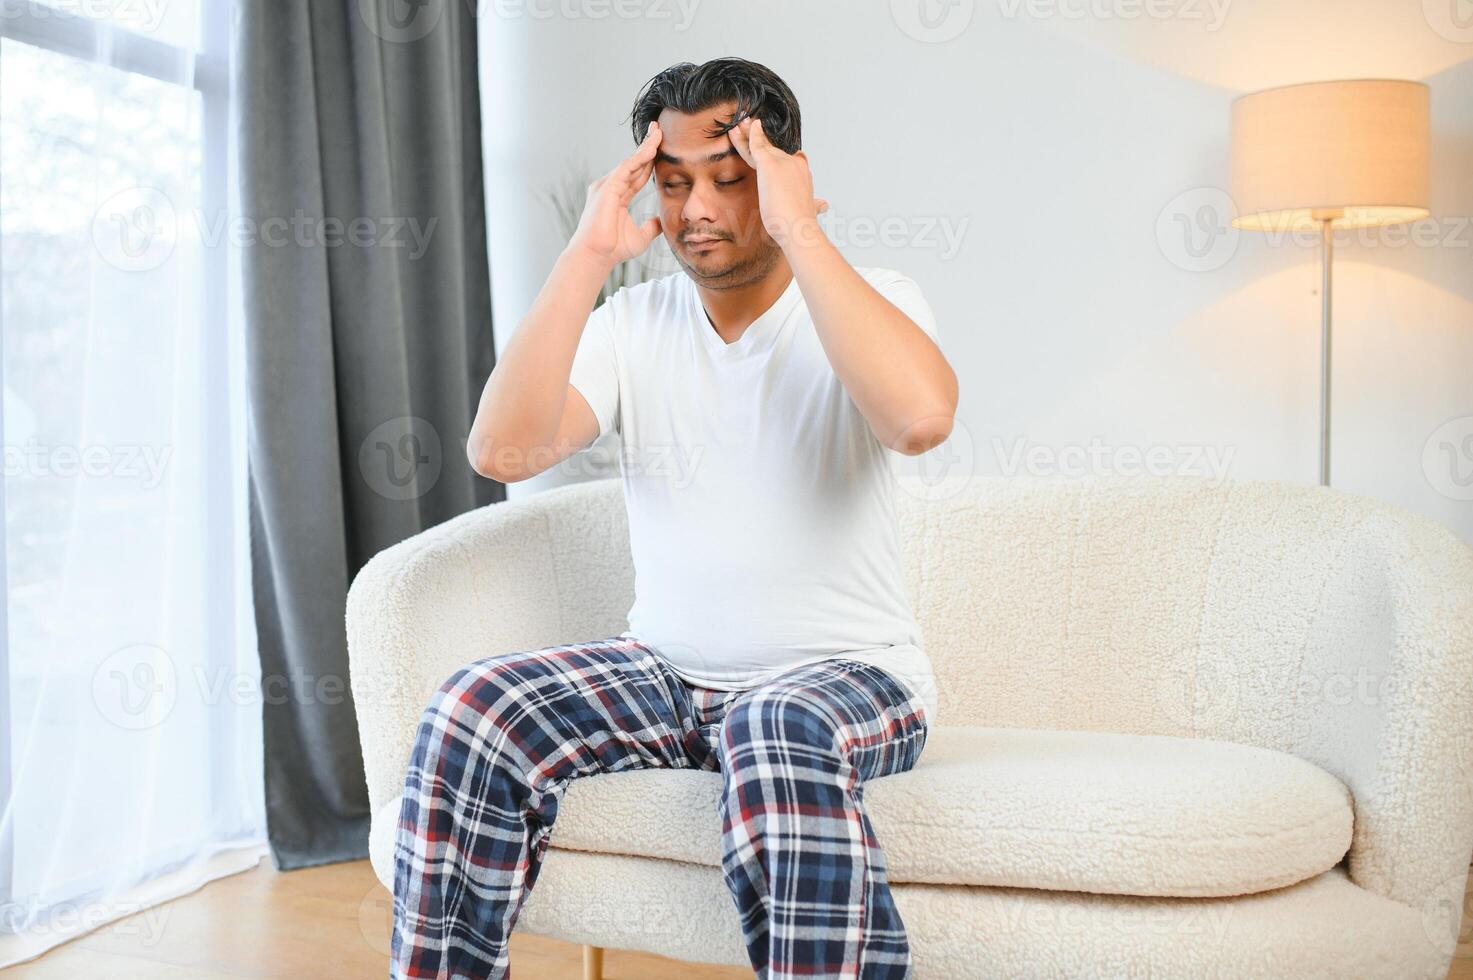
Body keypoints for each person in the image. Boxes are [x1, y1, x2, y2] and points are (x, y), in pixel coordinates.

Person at [391, 56, 958, 980]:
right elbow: (503, 452)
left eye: (729, 180)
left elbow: (919, 419)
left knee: (773, 731)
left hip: (847, 679)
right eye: (674, 181)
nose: (697, 209)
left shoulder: (868, 298)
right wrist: (585, 257)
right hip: (665, 676)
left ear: (781, 175)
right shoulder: (633, 322)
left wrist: (798, 227)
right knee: (473, 708)